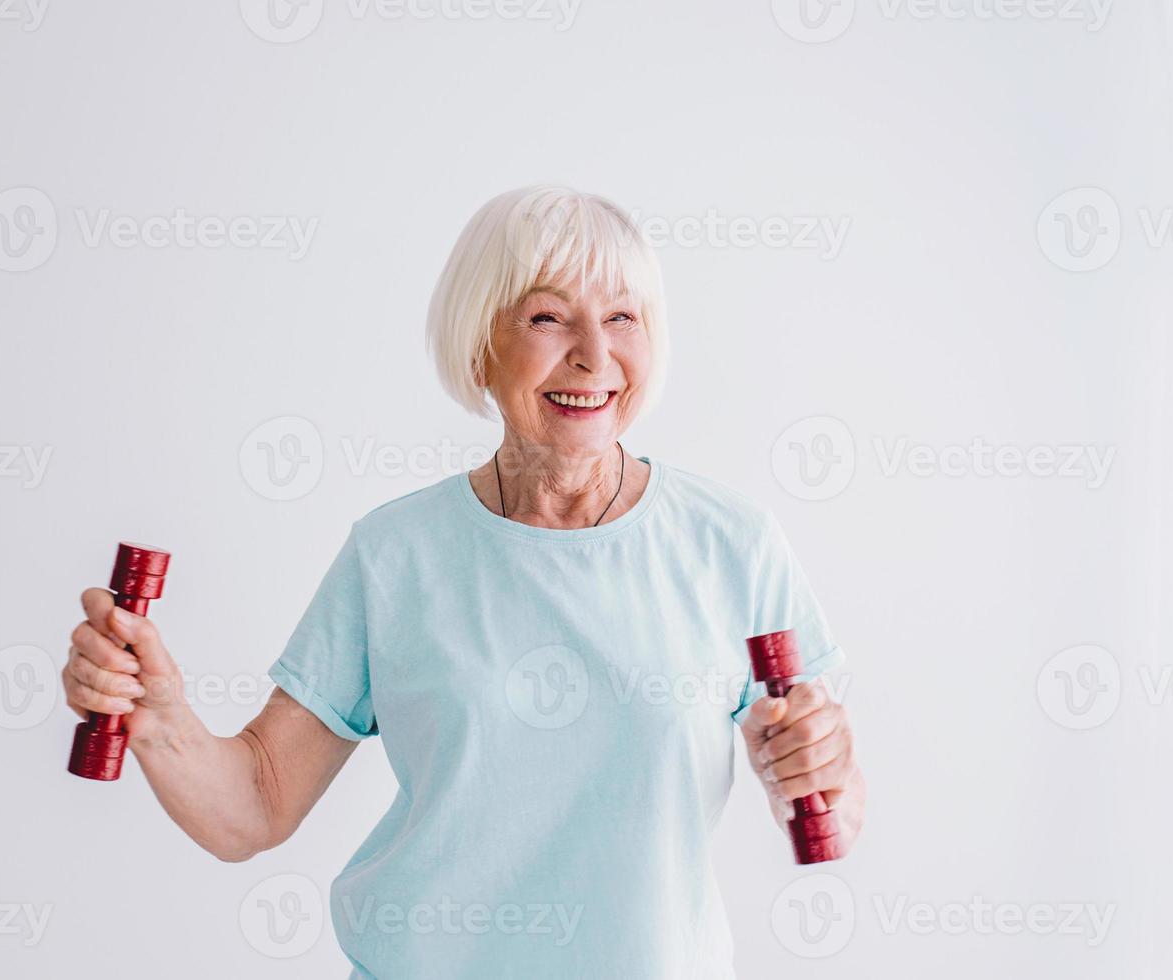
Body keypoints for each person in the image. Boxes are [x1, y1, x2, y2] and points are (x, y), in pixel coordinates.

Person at [62, 184, 866, 978]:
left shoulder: (730, 542)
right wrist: (158, 718)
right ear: (478, 342)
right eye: (547, 317)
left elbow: (836, 800)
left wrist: (823, 765)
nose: (593, 354)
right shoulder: (394, 554)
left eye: (622, 317)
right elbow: (256, 806)